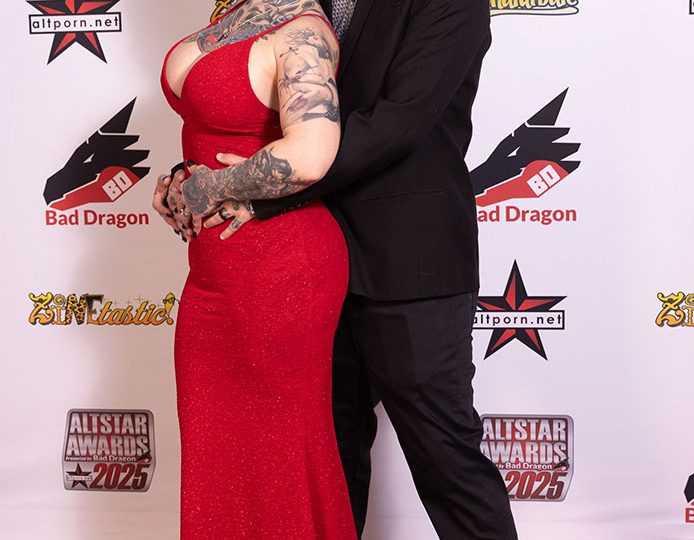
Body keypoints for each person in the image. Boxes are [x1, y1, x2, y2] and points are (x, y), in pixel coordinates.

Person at [155, 0, 519, 538]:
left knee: (444, 454)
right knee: (329, 457)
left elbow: (399, 121)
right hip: (308, 261)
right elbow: (266, 113)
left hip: (407, 260)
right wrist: (190, 176)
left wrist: (262, 191)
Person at [157, 1, 357, 538]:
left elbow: (311, 154)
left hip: (280, 267)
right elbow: (218, 130)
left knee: (282, 458)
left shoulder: (303, 31)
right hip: (213, 272)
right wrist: (180, 181)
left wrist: (210, 186)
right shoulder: (236, 12)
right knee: (215, 454)